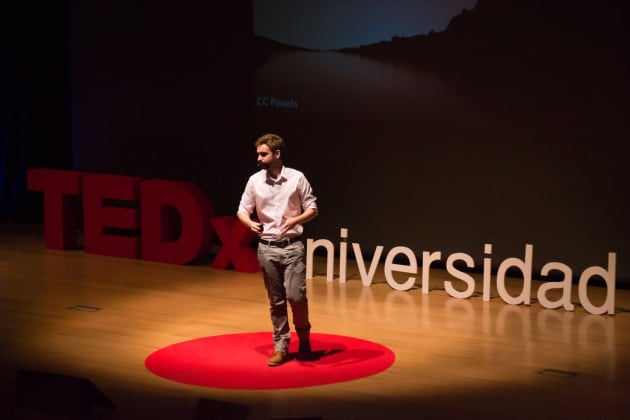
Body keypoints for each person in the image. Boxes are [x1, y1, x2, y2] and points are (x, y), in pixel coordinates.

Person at [237, 133, 318, 366]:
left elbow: (312, 208)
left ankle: (304, 339)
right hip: (267, 248)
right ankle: (281, 346)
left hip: (292, 247)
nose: (259, 158)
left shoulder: (297, 178)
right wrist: (249, 222)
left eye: (264, 154)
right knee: (276, 301)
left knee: (296, 296)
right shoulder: (254, 181)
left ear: (277, 154)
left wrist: (295, 220)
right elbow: (242, 209)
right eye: (258, 154)